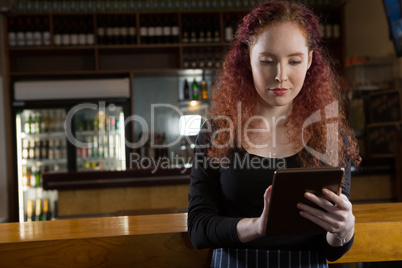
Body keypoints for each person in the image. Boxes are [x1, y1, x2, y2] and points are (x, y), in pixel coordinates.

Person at [187, 1, 361, 267]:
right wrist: (257, 226)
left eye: (294, 61)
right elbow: (199, 228)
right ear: (248, 59)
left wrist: (344, 230)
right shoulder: (217, 133)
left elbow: (330, 251)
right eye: (268, 61)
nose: (281, 75)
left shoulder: (331, 136)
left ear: (310, 60)